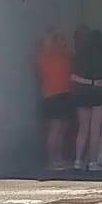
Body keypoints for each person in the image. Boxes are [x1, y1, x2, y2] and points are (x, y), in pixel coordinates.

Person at [71, 29, 102, 171]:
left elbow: (73, 77)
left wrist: (88, 82)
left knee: (83, 128)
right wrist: (96, 83)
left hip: (82, 93)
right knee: (95, 130)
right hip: (98, 94)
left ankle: (77, 161)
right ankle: (92, 162)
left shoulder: (80, 55)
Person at [36, 29, 74, 172]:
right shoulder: (42, 56)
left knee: (62, 129)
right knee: (55, 129)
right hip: (52, 95)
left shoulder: (63, 54)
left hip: (65, 93)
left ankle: (59, 158)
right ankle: (52, 160)